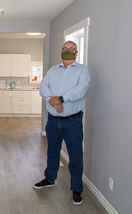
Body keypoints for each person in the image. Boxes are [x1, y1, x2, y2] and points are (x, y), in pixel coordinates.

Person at [34, 41, 91, 206]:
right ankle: (50, 178)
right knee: (52, 151)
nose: (67, 51)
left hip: (72, 121)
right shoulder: (53, 70)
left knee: (75, 156)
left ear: (76, 52)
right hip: (53, 120)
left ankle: (76, 189)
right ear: (61, 51)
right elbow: (43, 87)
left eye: (71, 49)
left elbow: (81, 90)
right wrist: (52, 100)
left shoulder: (82, 71)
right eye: (64, 48)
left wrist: (60, 99)